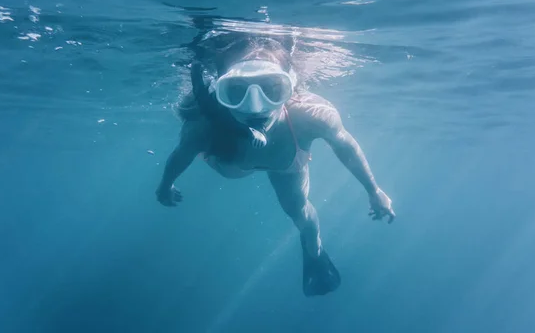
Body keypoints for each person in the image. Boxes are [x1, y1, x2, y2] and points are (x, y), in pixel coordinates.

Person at [156, 29, 396, 297]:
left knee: (297, 208)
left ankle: (315, 251)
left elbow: (346, 146)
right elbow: (182, 154)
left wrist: (374, 190)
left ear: (291, 86)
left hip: (283, 163)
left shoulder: (311, 115)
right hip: (235, 163)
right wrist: (165, 184)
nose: (255, 106)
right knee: (297, 206)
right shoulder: (202, 126)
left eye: (272, 88)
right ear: (217, 87)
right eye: (235, 91)